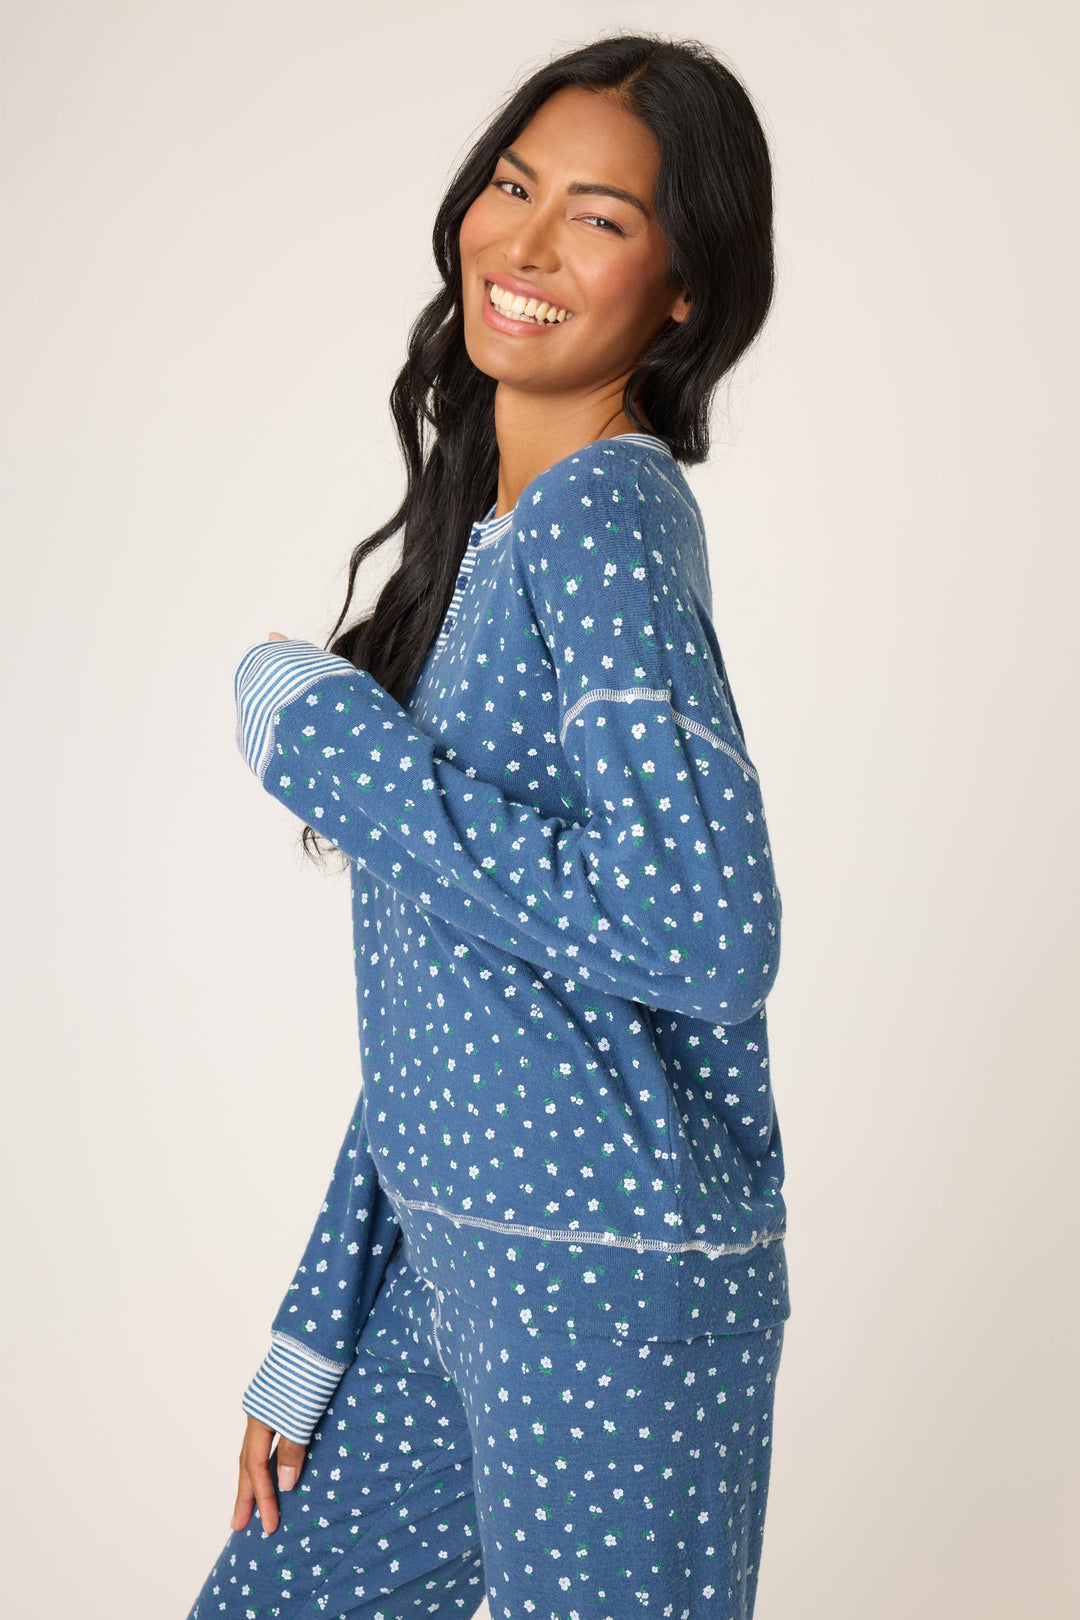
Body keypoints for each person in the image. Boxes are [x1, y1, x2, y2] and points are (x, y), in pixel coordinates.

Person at [187, 31, 791, 1620]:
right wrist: (324, 1320)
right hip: (455, 1271)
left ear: (682, 289)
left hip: (601, 1289)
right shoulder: (503, 545)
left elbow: (707, 934)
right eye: (513, 185)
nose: (523, 242)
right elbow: (461, 1002)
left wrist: (337, 750)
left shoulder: (605, 512)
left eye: (596, 215)